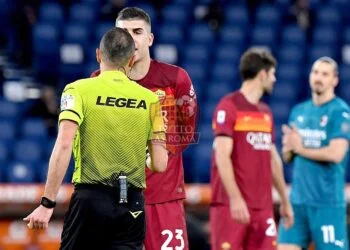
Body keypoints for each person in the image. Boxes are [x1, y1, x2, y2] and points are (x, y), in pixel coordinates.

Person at [23, 27, 168, 250]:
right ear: (131, 60)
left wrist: (47, 203)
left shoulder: (77, 90)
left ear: (98, 55)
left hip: (91, 199)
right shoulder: (151, 100)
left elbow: (63, 144)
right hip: (132, 203)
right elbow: (159, 163)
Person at [91, 7, 198, 250]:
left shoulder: (176, 79)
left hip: (162, 200)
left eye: (137, 31)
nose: (130, 38)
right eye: (123, 32)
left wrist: (152, 153)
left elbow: (187, 132)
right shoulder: (98, 81)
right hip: (114, 202)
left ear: (149, 38)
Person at [210, 48, 294, 250]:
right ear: (263, 73)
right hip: (231, 207)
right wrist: (236, 198)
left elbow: (273, 161)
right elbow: (222, 156)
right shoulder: (229, 106)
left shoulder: (266, 112)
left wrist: (284, 200)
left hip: (262, 208)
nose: (274, 79)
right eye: (272, 74)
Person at [278, 57, 350, 250]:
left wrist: (300, 148)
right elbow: (288, 157)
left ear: (335, 80)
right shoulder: (298, 111)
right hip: (297, 202)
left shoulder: (340, 112)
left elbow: (336, 153)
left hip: (327, 204)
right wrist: (288, 148)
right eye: (315, 72)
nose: (318, 78)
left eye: (325, 74)